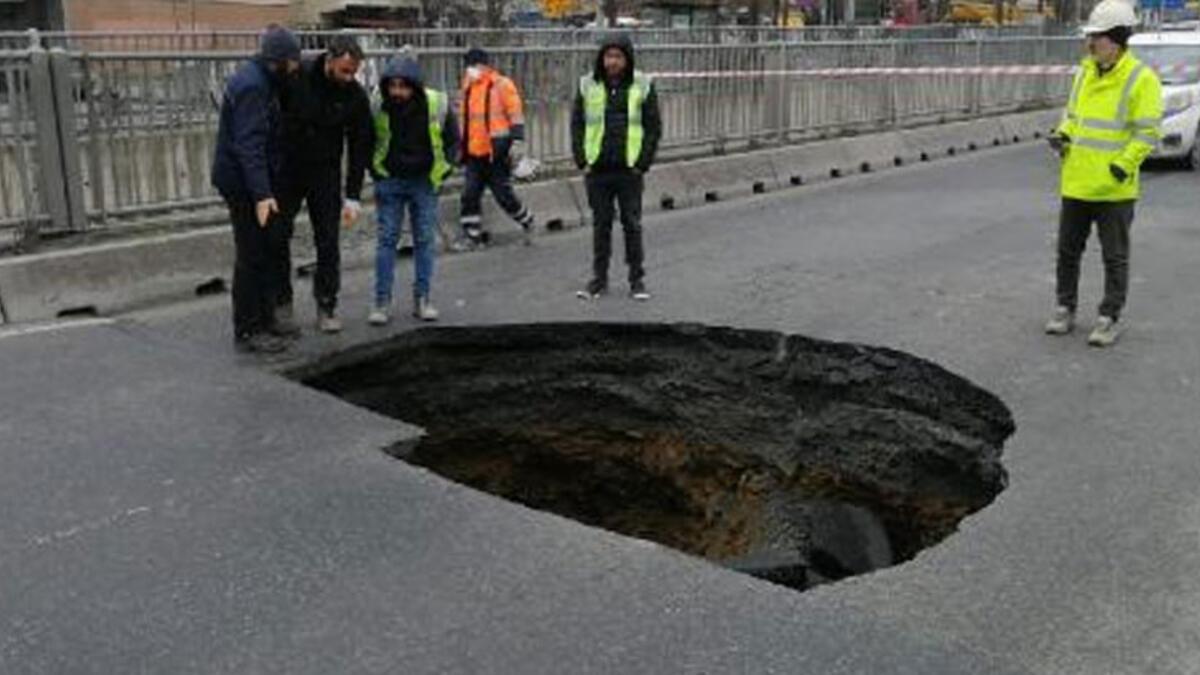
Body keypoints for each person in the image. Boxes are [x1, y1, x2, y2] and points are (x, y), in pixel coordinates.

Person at [1045, 0, 1161, 347]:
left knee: (1114, 257)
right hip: (1077, 180)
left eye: (1096, 37)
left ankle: (1109, 316)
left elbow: (1147, 133)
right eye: (1090, 38)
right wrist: (1063, 134)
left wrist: (1122, 165)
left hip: (1114, 188)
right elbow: (1073, 115)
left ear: (1116, 39)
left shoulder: (1142, 80)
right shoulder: (1084, 72)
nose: (1090, 43)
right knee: (1067, 252)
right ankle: (1065, 307)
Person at [211, 25, 301, 354]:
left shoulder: (263, 79)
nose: (295, 69)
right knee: (251, 255)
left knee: (266, 249)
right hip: (242, 184)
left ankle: (266, 320)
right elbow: (249, 145)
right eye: (292, 62)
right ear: (278, 61)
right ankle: (249, 328)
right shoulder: (253, 87)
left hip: (253, 181)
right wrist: (262, 194)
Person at [275, 35, 373, 335]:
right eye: (344, 70)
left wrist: (353, 194)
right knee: (278, 235)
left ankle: (327, 304)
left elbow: (360, 145)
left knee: (328, 240)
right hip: (289, 169)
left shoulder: (354, 95)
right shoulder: (298, 76)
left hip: (325, 173)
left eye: (353, 72)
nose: (348, 77)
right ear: (329, 59)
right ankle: (281, 302)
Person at [367, 52, 460, 325]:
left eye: (403, 86)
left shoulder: (436, 104)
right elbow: (367, 139)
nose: (397, 92)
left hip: (424, 182)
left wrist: (443, 172)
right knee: (386, 242)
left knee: (424, 241)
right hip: (390, 180)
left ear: (414, 85)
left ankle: (423, 299)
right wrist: (376, 173)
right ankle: (381, 302)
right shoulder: (378, 104)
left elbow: (453, 140)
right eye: (393, 85)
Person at [571, 34, 662, 301]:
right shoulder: (588, 84)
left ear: (627, 59)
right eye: (608, 56)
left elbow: (653, 127)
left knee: (632, 224)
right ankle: (599, 280)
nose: (612, 62)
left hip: (629, 169)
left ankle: (637, 279)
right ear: (602, 58)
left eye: (618, 56)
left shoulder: (642, 85)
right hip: (597, 169)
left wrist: (642, 163)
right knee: (601, 226)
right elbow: (577, 124)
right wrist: (582, 160)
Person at [455, 47, 536, 250]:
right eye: (469, 66)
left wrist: (517, 140)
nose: (471, 69)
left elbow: (515, 113)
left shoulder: (501, 84)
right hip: (475, 152)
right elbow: (466, 120)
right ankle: (472, 236)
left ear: (484, 65)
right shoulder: (468, 87)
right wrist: (461, 147)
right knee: (469, 193)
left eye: (474, 65)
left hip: (496, 153)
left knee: (503, 195)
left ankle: (527, 220)